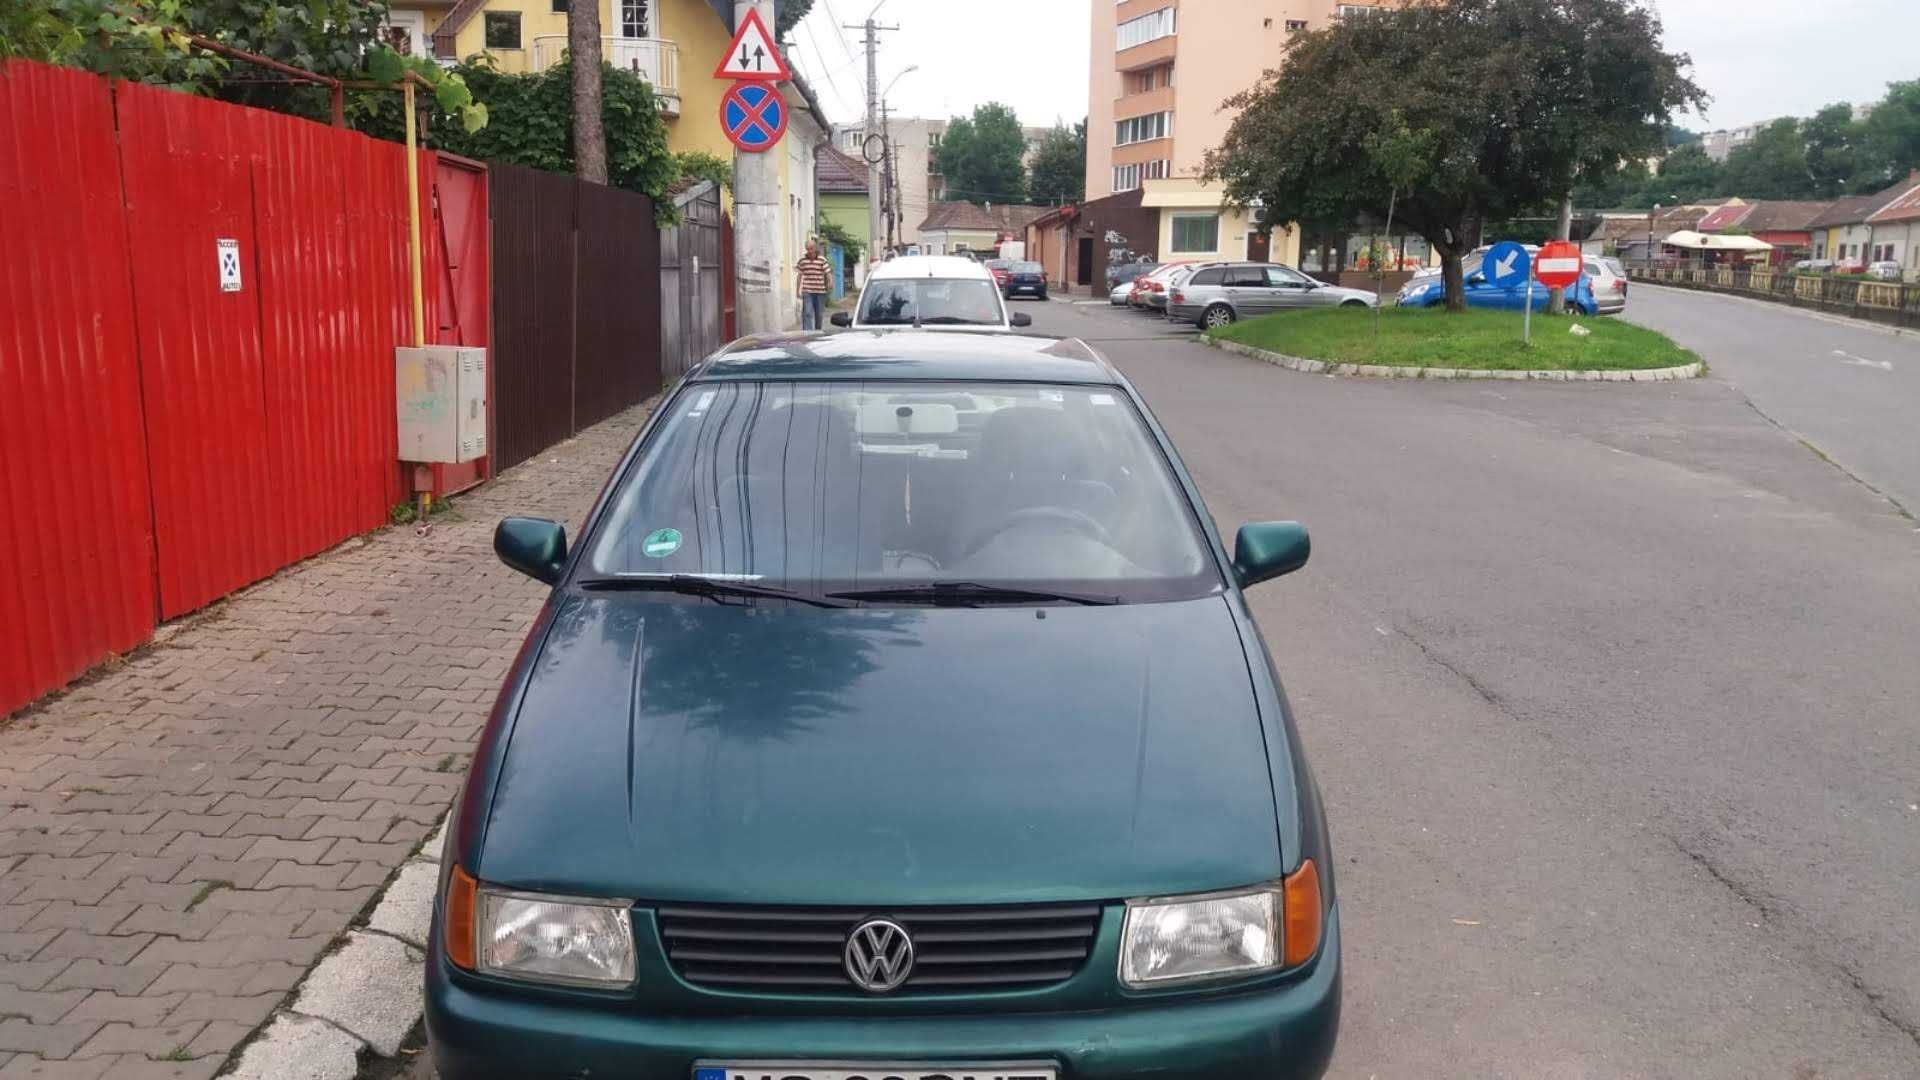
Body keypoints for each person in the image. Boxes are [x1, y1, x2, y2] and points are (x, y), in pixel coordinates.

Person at [795, 240, 831, 330]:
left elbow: (828, 273)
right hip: (807, 291)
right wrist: (797, 291)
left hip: (820, 292)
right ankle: (808, 334)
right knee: (807, 313)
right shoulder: (802, 261)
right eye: (807, 249)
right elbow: (799, 276)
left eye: (811, 249)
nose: (809, 251)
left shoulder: (822, 260)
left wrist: (830, 281)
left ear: (815, 248)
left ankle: (818, 332)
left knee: (819, 314)